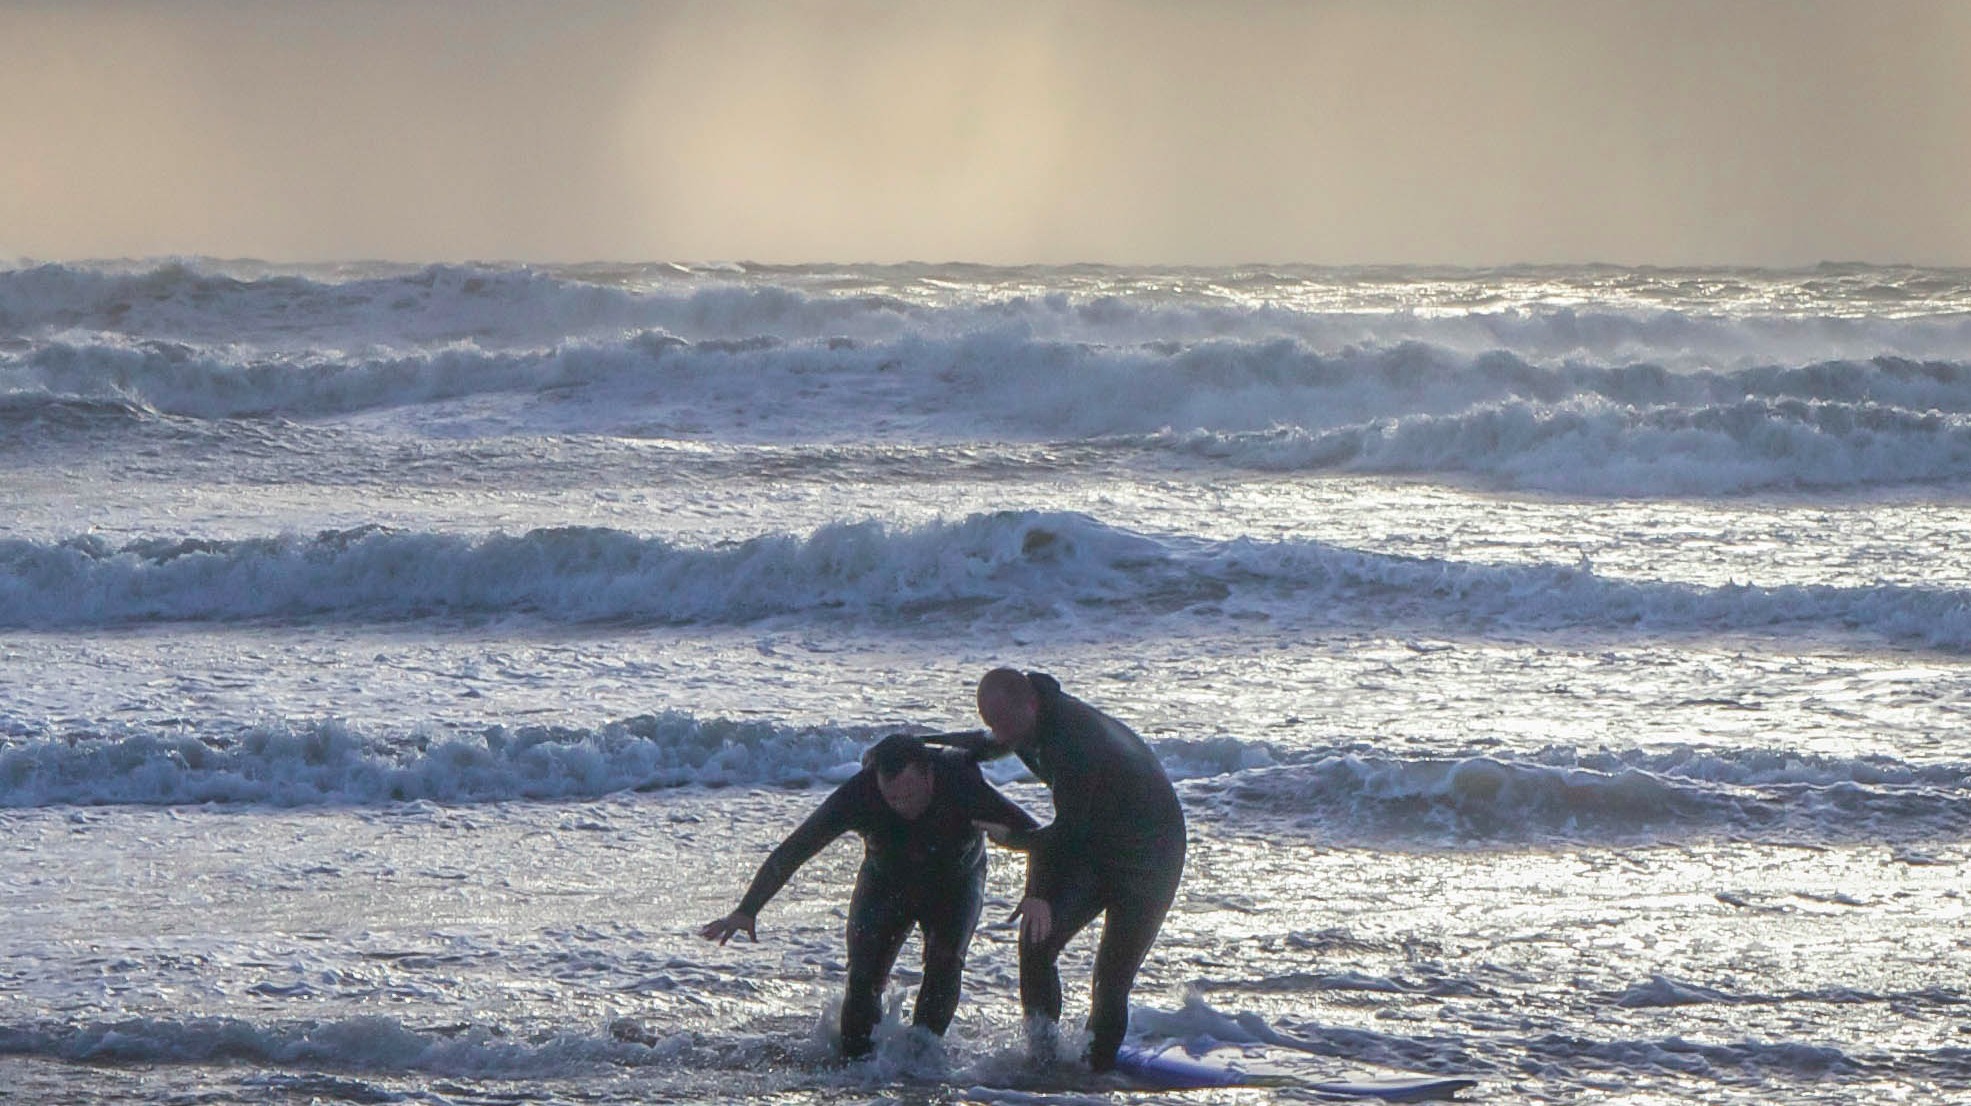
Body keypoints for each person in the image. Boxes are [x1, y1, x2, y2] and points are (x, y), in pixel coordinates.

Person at [700, 732, 1038, 1059]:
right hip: (886, 882)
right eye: (891, 799)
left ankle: (922, 1061)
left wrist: (1036, 892)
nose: (900, 807)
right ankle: (858, 1071)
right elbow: (795, 848)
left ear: (929, 776)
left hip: (957, 881)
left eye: (908, 797)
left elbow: (1036, 835)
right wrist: (747, 909)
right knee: (863, 977)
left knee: (945, 962)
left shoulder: (962, 785)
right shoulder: (859, 794)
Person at [969, 667, 1186, 1072]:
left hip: (1151, 858)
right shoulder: (1026, 722)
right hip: (1095, 845)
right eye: (992, 725)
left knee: (1109, 980)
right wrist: (920, 750)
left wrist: (1012, 841)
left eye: (1006, 726)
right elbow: (987, 745)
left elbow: (1066, 833)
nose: (1001, 737)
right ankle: (1044, 1060)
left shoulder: (1071, 742)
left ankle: (1094, 1076)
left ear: (1031, 704)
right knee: (1036, 944)